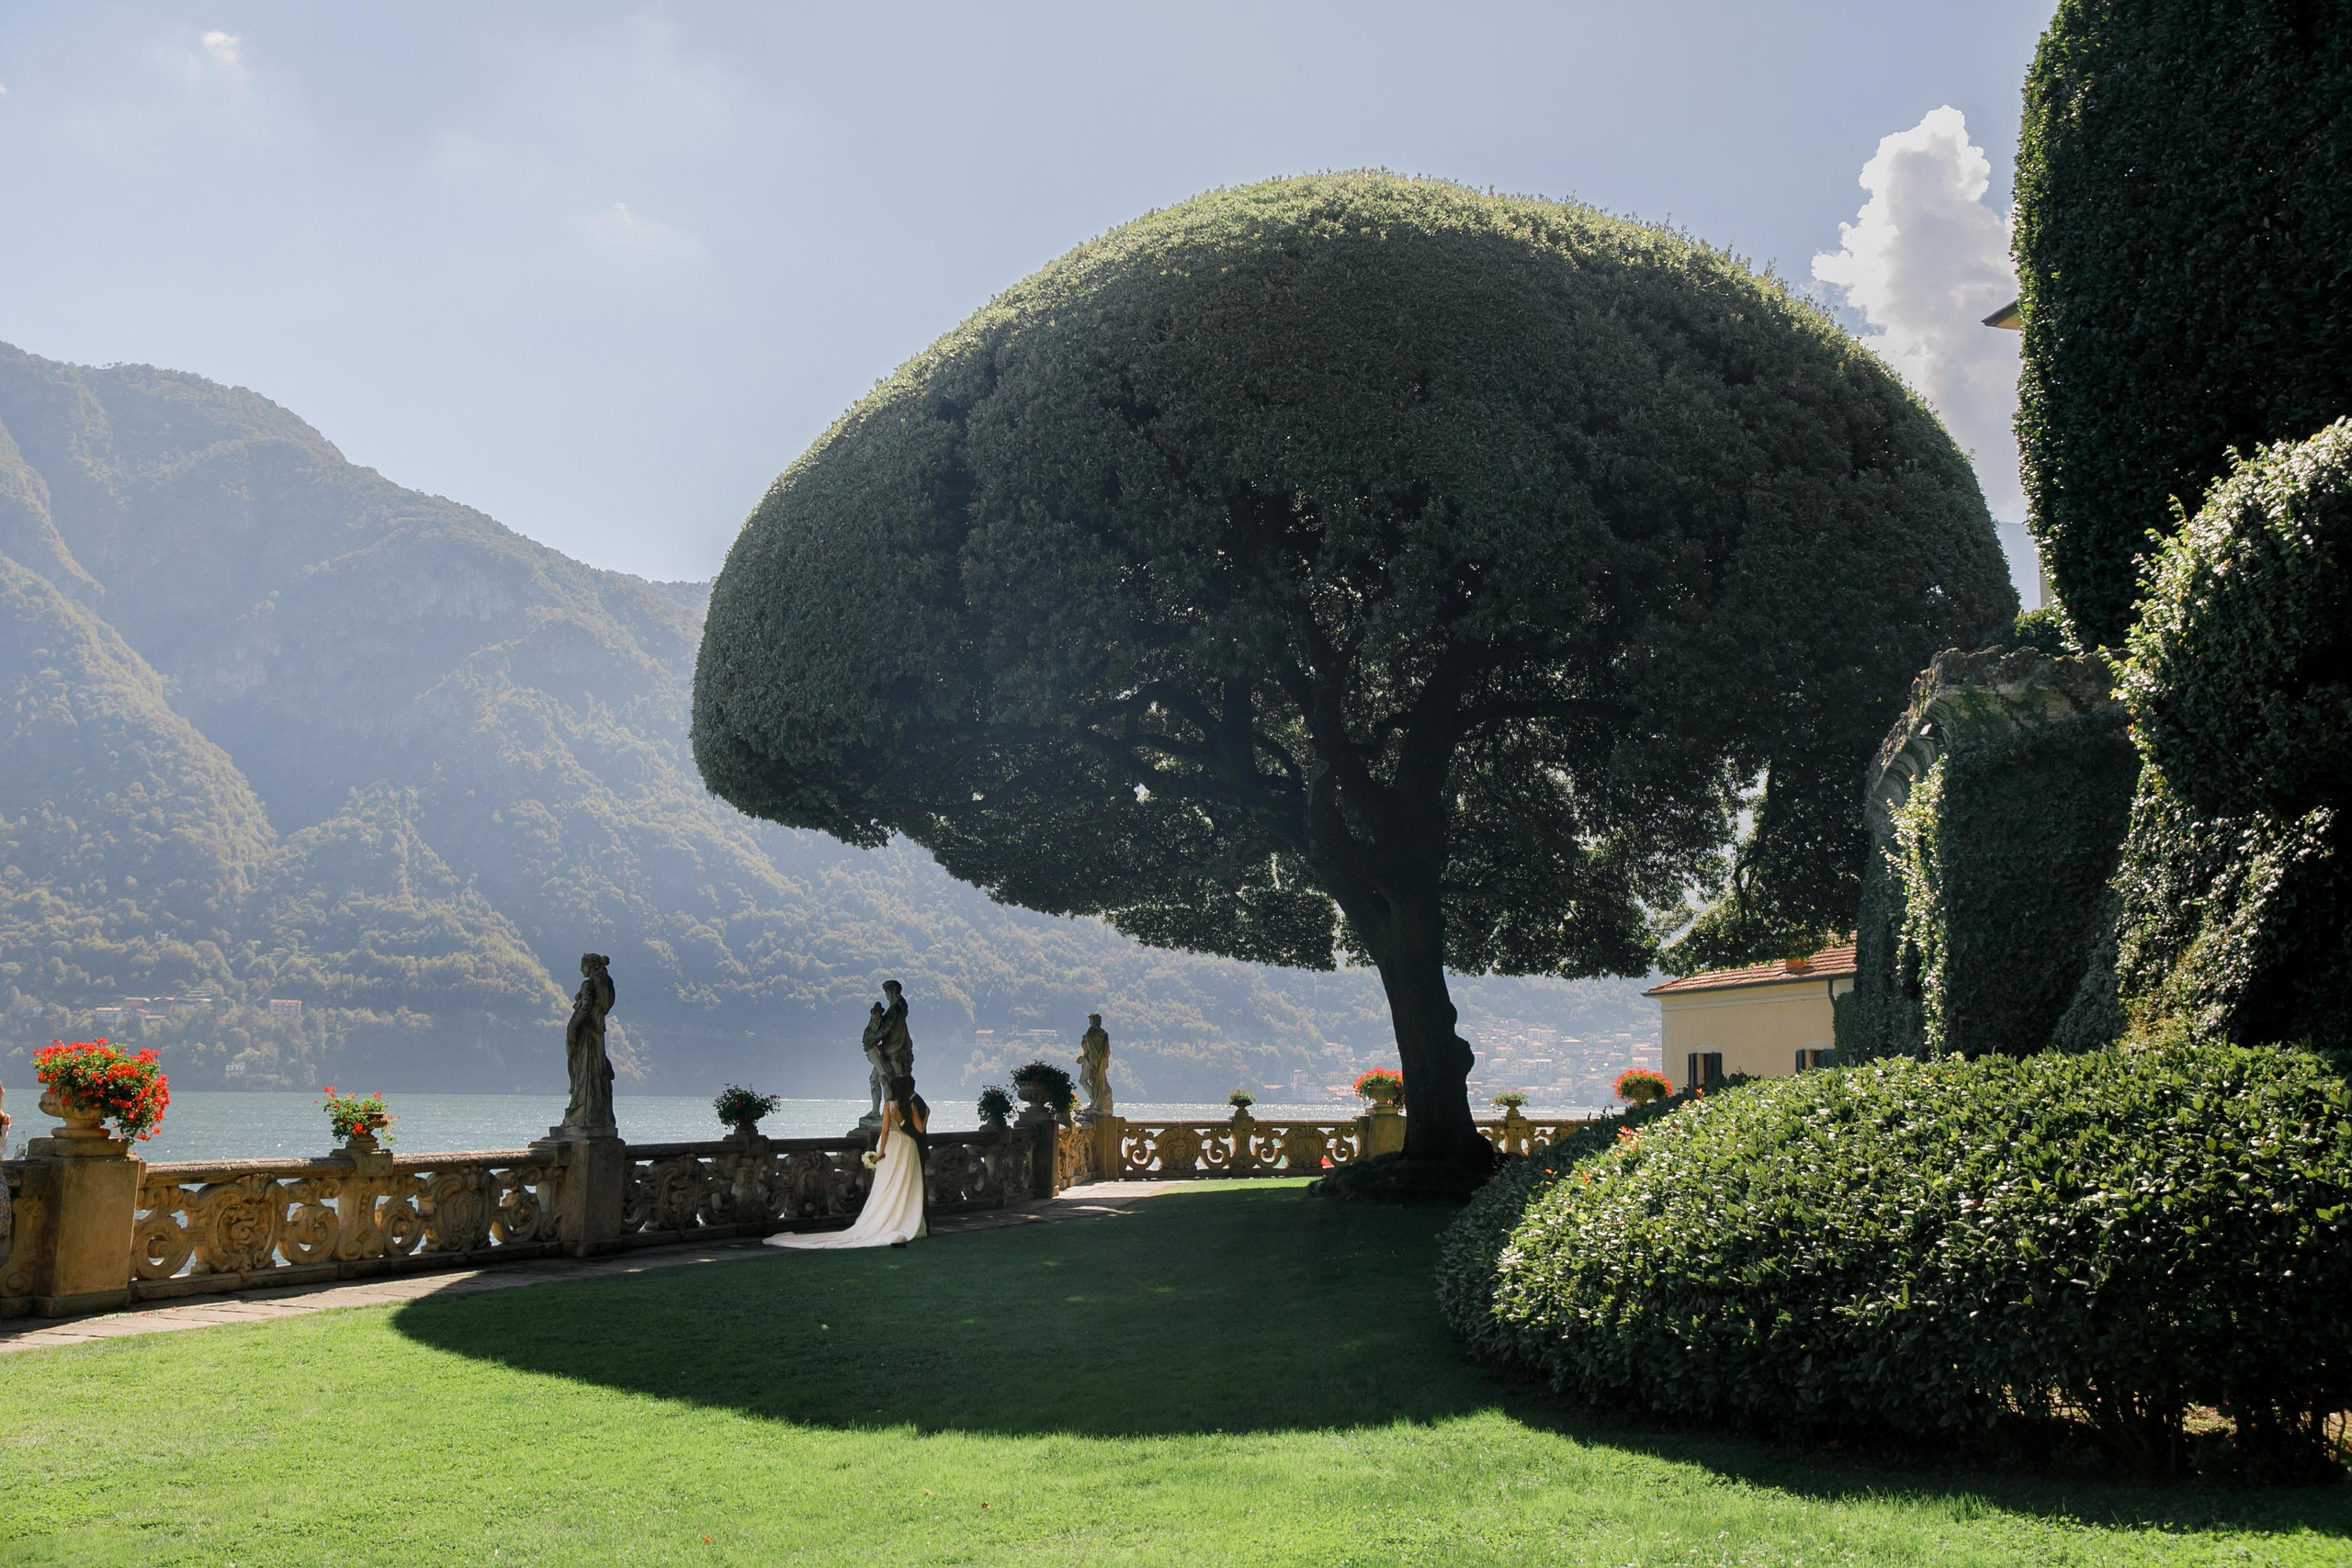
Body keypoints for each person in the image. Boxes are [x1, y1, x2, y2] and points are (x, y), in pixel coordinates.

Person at [769, 1074, 928, 1250]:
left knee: (888, 1184)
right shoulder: (911, 1106)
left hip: (893, 1146)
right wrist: (904, 1121)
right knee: (905, 1183)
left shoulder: (889, 1105)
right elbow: (920, 1129)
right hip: (908, 1146)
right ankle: (905, 1218)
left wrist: (880, 1152)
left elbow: (884, 1131)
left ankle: (889, 1217)